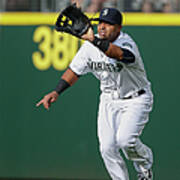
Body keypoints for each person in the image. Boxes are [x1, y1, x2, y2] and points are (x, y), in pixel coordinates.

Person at [36, 7, 154, 180]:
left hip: (135, 99)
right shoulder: (89, 47)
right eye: (100, 23)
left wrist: (92, 39)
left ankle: (144, 165)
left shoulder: (126, 42)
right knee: (107, 148)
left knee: (125, 140)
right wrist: (56, 91)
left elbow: (119, 54)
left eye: (108, 24)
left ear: (119, 28)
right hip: (108, 100)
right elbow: (74, 70)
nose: (102, 27)